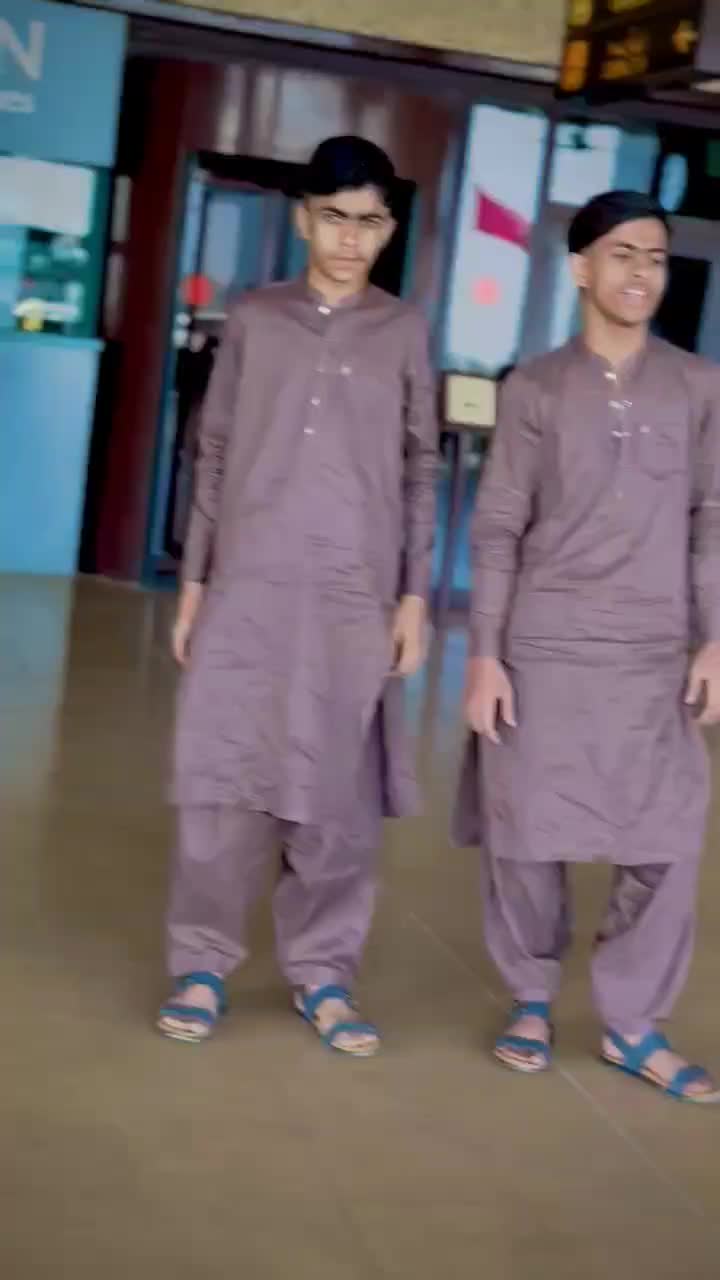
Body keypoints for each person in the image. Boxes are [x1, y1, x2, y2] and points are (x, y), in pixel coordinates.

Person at [157, 136, 438, 1056]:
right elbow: (215, 451)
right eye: (335, 218)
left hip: (356, 592)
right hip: (250, 584)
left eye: (370, 222)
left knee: (337, 792)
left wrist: (413, 597)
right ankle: (202, 965)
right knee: (224, 777)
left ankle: (324, 973)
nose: (352, 240)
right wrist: (195, 583)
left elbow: (419, 468)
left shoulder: (403, 330)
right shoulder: (256, 318)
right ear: (302, 219)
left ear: (388, 229)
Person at [456, 189, 720, 1102]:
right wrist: (484, 653)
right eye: (622, 254)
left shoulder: (698, 386)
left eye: (655, 257)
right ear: (580, 267)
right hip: (547, 646)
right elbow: (499, 526)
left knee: (667, 836)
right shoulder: (535, 387)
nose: (641, 273)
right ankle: (530, 997)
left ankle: (633, 1024)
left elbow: (712, 522)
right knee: (528, 832)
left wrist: (714, 640)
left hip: (656, 651)